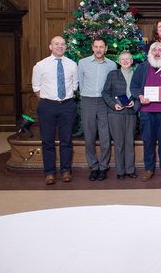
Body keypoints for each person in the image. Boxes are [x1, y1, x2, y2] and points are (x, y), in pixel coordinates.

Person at [32, 36, 78, 185]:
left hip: (67, 105)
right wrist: (49, 100)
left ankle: (66, 171)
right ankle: (49, 173)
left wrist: (64, 99)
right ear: (50, 46)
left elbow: (74, 85)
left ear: (65, 47)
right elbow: (36, 87)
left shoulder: (72, 64)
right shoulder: (40, 65)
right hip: (47, 106)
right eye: (56, 44)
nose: (60, 46)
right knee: (47, 141)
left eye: (63, 44)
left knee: (66, 141)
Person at [130, 42, 161, 181]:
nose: (157, 52)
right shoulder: (142, 68)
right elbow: (133, 86)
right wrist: (140, 96)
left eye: (160, 50)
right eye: (154, 50)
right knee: (148, 141)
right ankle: (149, 169)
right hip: (146, 111)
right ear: (149, 52)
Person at [78, 37, 117, 181]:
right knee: (89, 136)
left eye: (101, 47)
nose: (99, 49)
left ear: (105, 48)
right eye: (96, 46)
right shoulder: (83, 63)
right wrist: (86, 95)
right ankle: (93, 166)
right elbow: (80, 83)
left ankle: (103, 167)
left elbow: (112, 86)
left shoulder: (112, 65)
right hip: (87, 100)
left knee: (105, 136)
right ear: (92, 47)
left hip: (104, 102)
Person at [102, 51, 137, 180]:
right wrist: (113, 105)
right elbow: (105, 93)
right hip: (116, 113)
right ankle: (120, 171)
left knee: (129, 142)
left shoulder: (136, 74)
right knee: (119, 143)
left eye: (128, 59)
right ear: (119, 61)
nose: (125, 61)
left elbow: (140, 91)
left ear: (132, 60)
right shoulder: (113, 74)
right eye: (122, 59)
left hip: (130, 113)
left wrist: (135, 101)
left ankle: (130, 169)